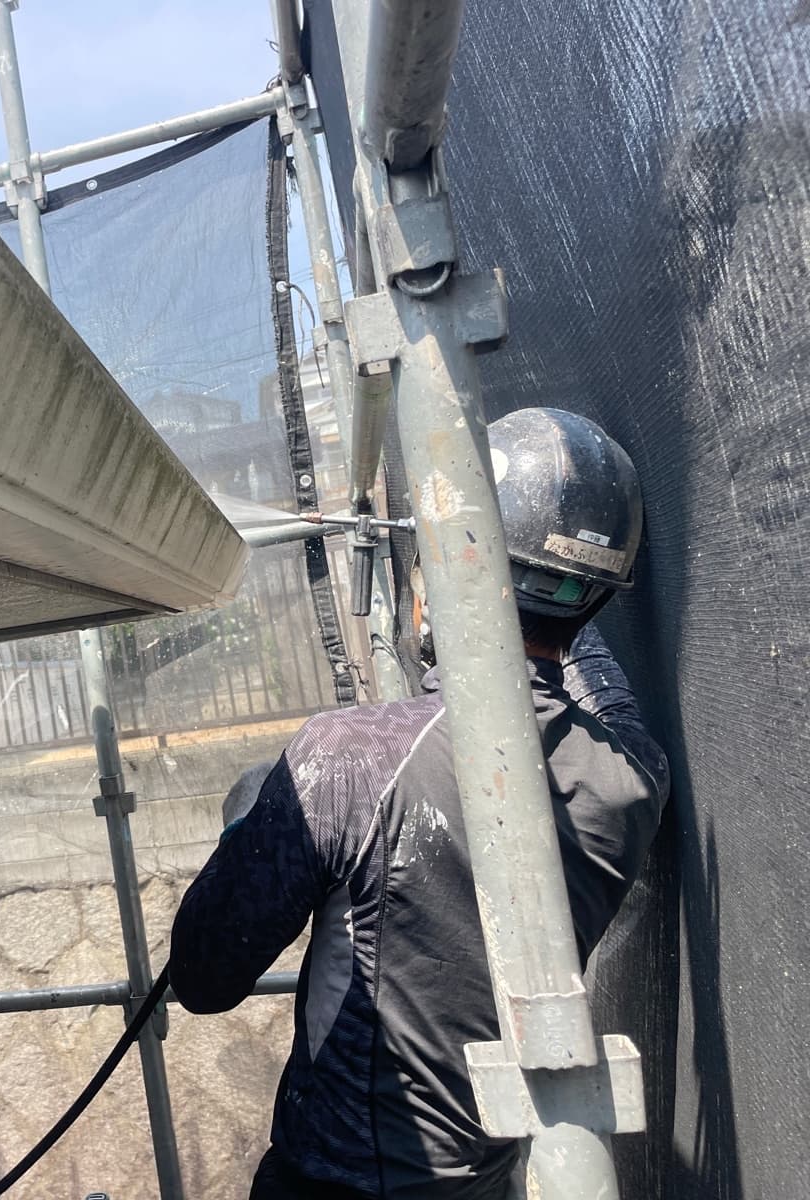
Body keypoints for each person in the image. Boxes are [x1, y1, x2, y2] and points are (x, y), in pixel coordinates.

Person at [169, 408, 670, 1199]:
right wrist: (540, 568)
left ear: (443, 573)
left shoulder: (347, 761)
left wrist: (250, 822)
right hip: (489, 1182)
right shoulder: (632, 779)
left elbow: (203, 977)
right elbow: (584, 663)